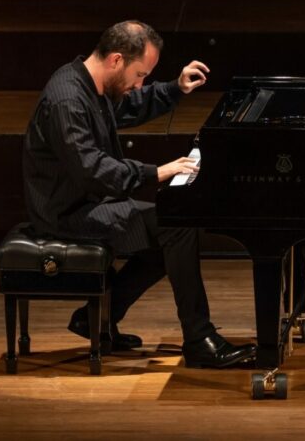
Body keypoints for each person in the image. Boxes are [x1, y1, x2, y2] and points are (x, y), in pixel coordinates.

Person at [21, 20, 255, 368]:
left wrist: (175, 88)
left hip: (88, 201)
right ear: (117, 60)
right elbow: (90, 169)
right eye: (140, 74)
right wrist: (155, 172)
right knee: (175, 227)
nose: (140, 83)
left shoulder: (92, 84)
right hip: (65, 212)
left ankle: (95, 318)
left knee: (172, 229)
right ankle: (199, 340)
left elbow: (129, 105)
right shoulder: (68, 99)